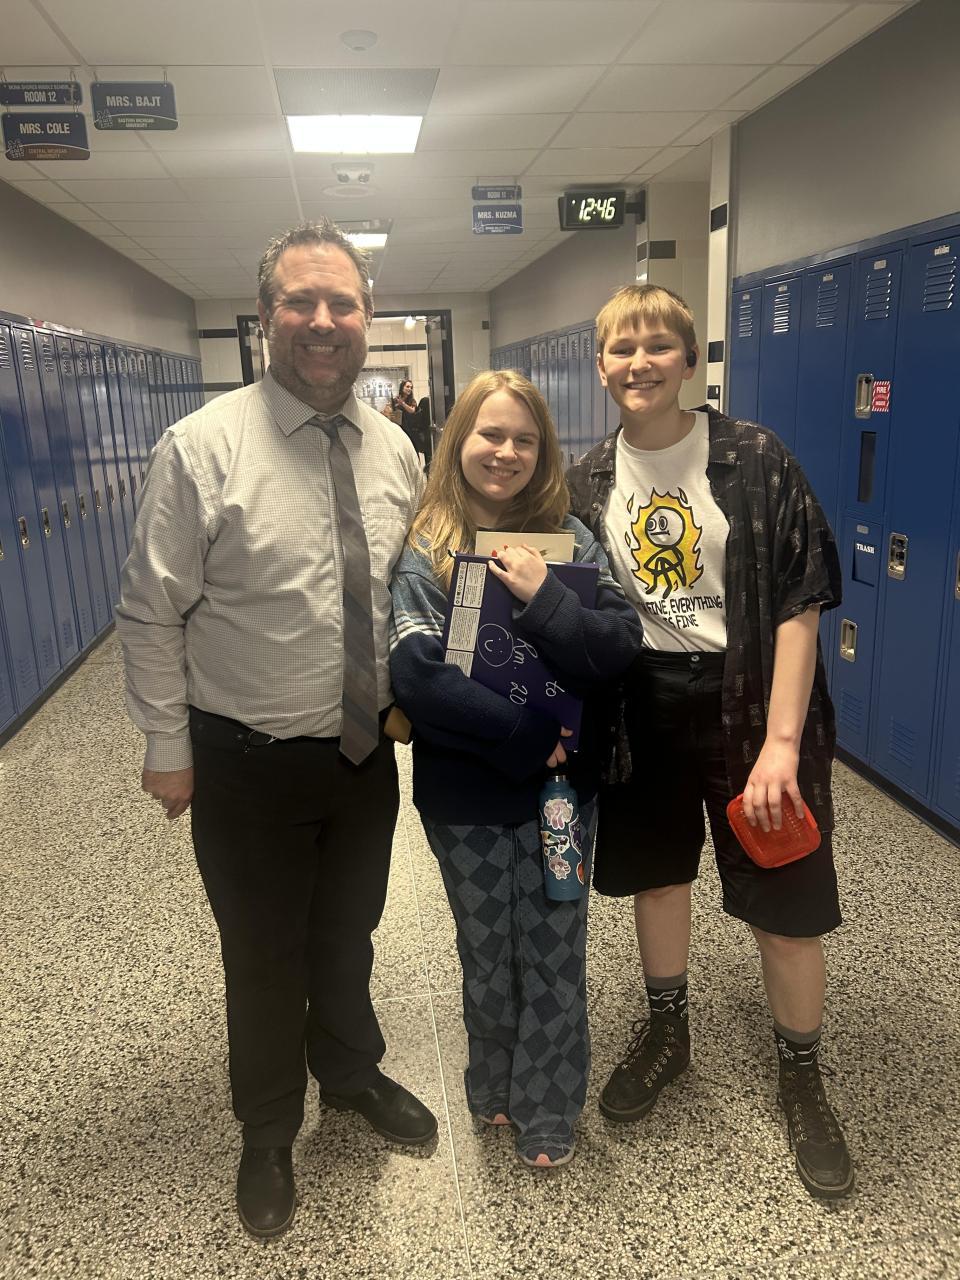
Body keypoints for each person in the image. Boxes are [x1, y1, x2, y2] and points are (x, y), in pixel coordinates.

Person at [115, 218, 436, 1240]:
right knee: (262, 954)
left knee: (348, 933)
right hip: (246, 763)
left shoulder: (395, 448)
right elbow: (150, 610)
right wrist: (167, 745)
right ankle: (266, 1128)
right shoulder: (202, 448)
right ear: (266, 316)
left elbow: (413, 589)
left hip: (361, 758)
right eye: (301, 301)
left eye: (343, 302)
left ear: (368, 318)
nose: (323, 321)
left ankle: (349, 1071)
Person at [566, 284, 853, 1200]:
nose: (639, 363)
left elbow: (803, 599)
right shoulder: (587, 479)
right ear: (601, 365)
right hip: (641, 704)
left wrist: (782, 744)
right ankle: (668, 1031)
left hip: (750, 702)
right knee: (658, 876)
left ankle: (801, 1074)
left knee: (784, 897)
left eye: (658, 345)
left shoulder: (754, 457)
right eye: (622, 348)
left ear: (689, 360)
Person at [390, 369, 643, 1168]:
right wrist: (530, 734)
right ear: (458, 439)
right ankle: (493, 1084)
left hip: (560, 800)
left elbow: (619, 645)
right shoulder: (428, 547)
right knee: (485, 950)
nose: (505, 452)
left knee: (555, 949)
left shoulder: (571, 540)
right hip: (464, 796)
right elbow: (419, 677)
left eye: (524, 440)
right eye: (490, 434)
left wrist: (546, 599)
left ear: (543, 451)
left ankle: (549, 1104)